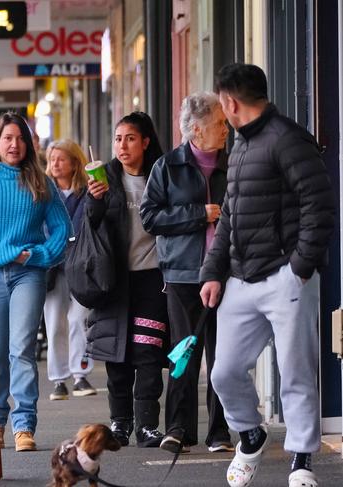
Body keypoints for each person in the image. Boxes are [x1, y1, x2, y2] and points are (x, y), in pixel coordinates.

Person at [199, 64, 335, 487]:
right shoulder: (238, 145)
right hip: (240, 278)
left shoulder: (289, 139)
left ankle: (301, 462)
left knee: (295, 372)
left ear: (229, 101)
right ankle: (251, 433)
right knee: (224, 371)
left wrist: (299, 269)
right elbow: (230, 218)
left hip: (285, 277)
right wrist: (213, 272)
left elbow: (320, 206)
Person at [0, 113, 71, 452]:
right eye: (7, 138)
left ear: (28, 143)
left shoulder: (40, 182)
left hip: (27, 276)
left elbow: (63, 230)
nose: (14, 144)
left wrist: (37, 256)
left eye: (20, 138)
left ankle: (23, 425)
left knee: (21, 350)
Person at [140, 92, 232, 454]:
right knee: (184, 353)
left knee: (224, 356)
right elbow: (150, 217)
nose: (225, 130)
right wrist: (199, 214)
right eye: (219, 123)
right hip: (182, 273)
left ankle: (220, 432)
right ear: (197, 129)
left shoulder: (234, 162)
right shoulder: (167, 166)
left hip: (226, 273)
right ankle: (178, 429)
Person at [85, 112, 168, 448]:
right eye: (118, 138)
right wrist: (95, 199)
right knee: (116, 356)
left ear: (145, 142)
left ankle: (147, 425)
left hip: (152, 279)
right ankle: (119, 424)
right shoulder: (104, 178)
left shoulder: (160, 177)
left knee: (148, 354)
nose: (122, 145)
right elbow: (91, 225)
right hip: (114, 281)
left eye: (130, 138)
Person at [43, 139, 96, 401]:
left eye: (61, 159)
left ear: (75, 162)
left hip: (82, 266)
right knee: (54, 324)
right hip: (53, 267)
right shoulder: (42, 191)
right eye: (52, 159)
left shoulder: (87, 191)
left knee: (79, 320)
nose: (55, 164)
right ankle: (58, 379)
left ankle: (80, 374)